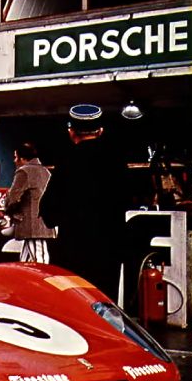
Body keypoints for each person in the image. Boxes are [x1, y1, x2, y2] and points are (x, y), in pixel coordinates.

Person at [40, 104, 129, 302]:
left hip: (73, 250)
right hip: (109, 250)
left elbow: (48, 212)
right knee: (105, 306)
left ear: (71, 132)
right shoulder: (117, 162)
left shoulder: (67, 162)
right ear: (100, 131)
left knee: (76, 306)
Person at [4, 142, 56, 263]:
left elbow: (13, 197)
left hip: (32, 224)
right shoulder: (45, 171)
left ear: (23, 158)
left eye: (16, 157)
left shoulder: (24, 172)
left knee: (40, 259)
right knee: (26, 260)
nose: (14, 161)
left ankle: (42, 282)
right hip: (44, 222)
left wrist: (9, 211)